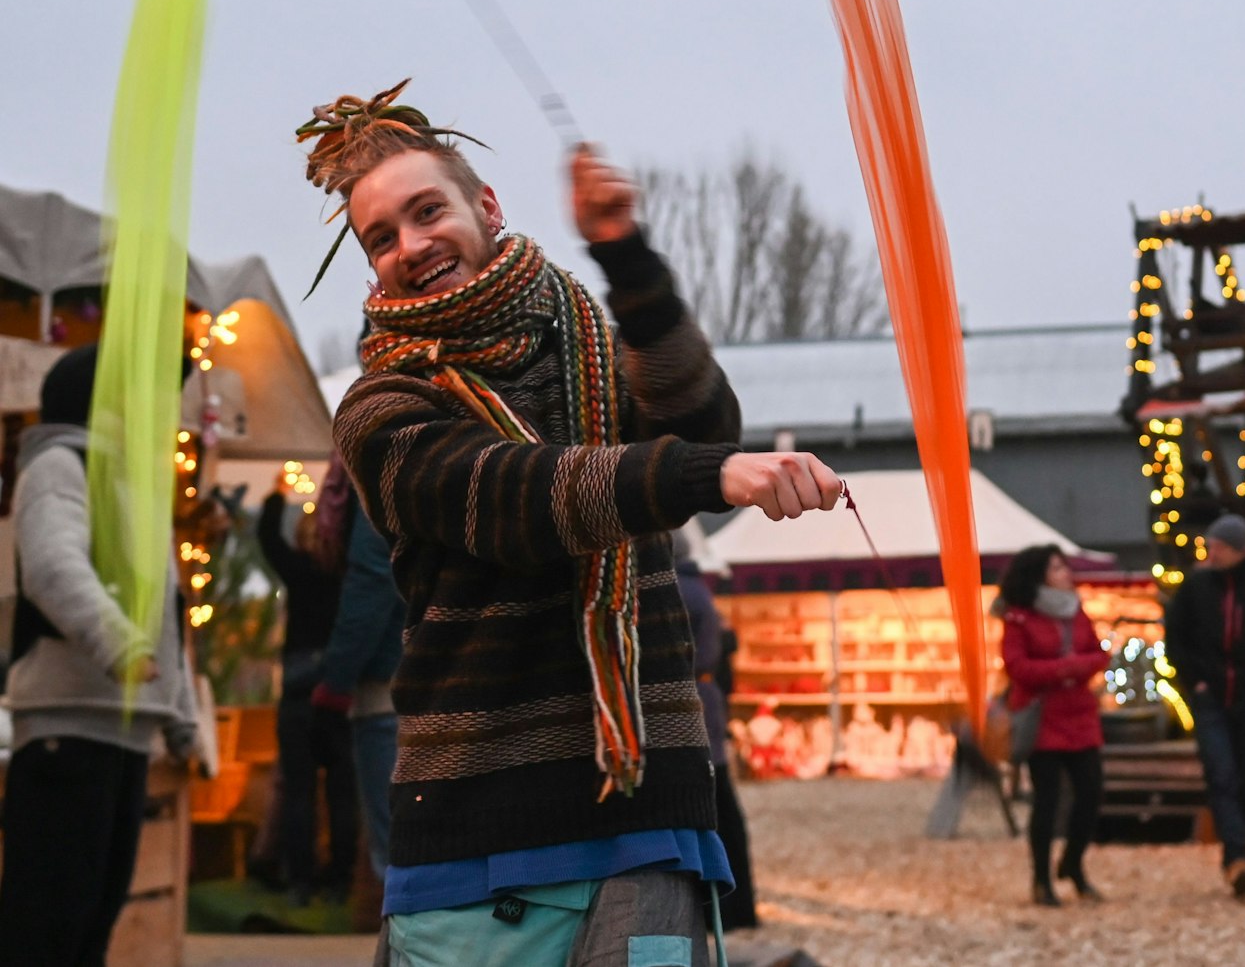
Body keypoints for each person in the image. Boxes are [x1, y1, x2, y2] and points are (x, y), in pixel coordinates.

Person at [303, 81, 843, 967]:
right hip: (473, 833)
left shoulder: (589, 344)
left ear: (486, 206)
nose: (412, 244)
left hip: (645, 817)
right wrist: (704, 472)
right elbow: (519, 497)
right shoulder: (381, 406)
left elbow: (701, 419)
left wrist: (625, 255)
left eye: (428, 210)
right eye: (383, 236)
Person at [0, 344, 199, 966]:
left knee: (91, 924)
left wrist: (180, 717)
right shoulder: (60, 467)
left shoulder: (136, 487)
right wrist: (120, 643)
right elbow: (53, 566)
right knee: (47, 926)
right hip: (67, 729)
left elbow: (166, 613)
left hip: (126, 733)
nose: (158, 408)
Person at [1162, 513, 1245, 901]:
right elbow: (1176, 637)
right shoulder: (1195, 589)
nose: (1213, 553)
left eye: (1220, 546)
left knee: (1244, 776)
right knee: (1220, 773)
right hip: (1209, 698)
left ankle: (1238, 854)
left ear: (1239, 550)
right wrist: (1194, 681)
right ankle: (1237, 857)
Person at [257, 466, 359, 905]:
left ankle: (301, 881)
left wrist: (276, 494)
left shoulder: (297, 569)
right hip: (338, 681)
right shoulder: (348, 573)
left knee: (299, 788)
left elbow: (267, 538)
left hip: (298, 680)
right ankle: (340, 880)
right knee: (342, 788)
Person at [997, 544, 1110, 908]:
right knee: (1047, 800)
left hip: (1080, 714)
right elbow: (1018, 668)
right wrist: (1066, 669)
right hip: (1042, 718)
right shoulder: (1020, 618)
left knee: (1090, 793)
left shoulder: (1076, 611)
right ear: (1039, 575)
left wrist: (1075, 667)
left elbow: (1097, 653)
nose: (1065, 574)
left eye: (1064, 567)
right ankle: (1041, 880)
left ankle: (1073, 862)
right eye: (1056, 568)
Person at [310, 453, 403, 892]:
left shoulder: (376, 462)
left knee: (398, 852)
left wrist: (336, 681)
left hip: (387, 684)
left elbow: (372, 576)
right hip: (431, 673)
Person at [672, 523, 757, 930]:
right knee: (720, 803)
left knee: (712, 805)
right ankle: (733, 905)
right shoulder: (696, 588)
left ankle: (725, 906)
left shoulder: (680, 591)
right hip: (701, 700)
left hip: (692, 704)